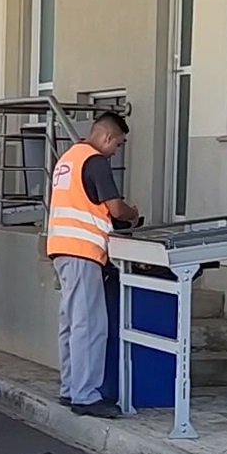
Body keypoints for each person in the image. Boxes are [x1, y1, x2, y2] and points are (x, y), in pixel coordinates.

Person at [45, 112, 140, 419]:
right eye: (119, 144)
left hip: (61, 249)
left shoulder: (68, 159)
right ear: (108, 137)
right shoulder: (95, 161)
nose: (117, 151)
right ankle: (86, 396)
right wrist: (132, 214)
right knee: (90, 325)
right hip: (82, 251)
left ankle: (71, 387)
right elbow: (113, 207)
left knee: (72, 324)